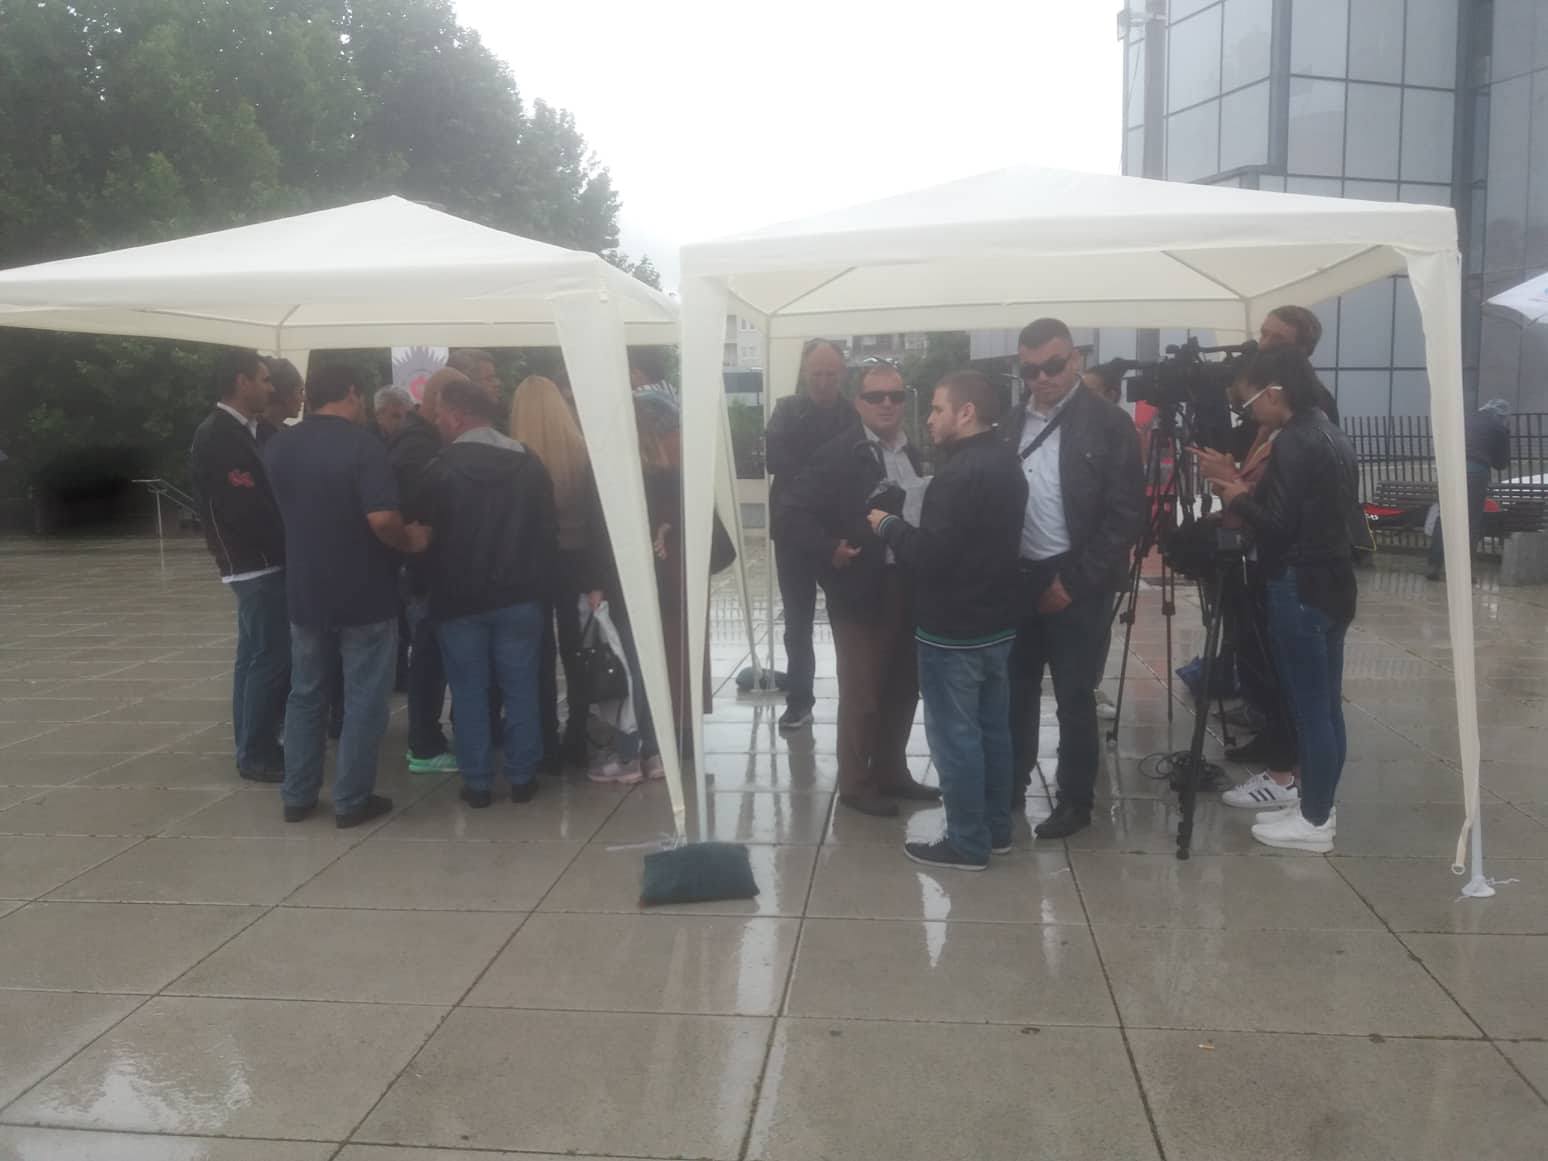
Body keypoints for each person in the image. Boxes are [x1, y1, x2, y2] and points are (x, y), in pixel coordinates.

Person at [1198, 346, 1359, 852]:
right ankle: (1317, 803)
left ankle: (1315, 821)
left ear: (1274, 392)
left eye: (1250, 403)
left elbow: (1277, 524)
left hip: (1299, 584)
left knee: (1310, 710)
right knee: (1326, 708)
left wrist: (1236, 496)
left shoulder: (1293, 440)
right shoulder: (1329, 432)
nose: (1249, 414)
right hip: (1333, 583)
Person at [868, 371, 1026, 870]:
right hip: (998, 624)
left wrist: (888, 525)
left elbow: (931, 556)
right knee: (993, 732)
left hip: (952, 631)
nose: (930, 419)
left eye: (938, 409)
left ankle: (967, 843)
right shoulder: (1007, 462)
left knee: (956, 739)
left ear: (967, 412)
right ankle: (996, 832)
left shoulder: (956, 477)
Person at [264, 363, 430, 828]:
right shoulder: (364, 446)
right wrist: (411, 541)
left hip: (305, 589)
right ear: (353, 393)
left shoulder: (278, 446)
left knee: (305, 694)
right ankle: (351, 799)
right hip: (364, 591)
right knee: (364, 699)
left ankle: (297, 795)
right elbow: (382, 518)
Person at [1006, 318, 1145, 840]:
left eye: (1053, 365)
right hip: (1019, 575)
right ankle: (1012, 783)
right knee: (1015, 690)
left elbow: (1126, 516)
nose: (1042, 378)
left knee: (1074, 695)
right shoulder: (1008, 423)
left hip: (1080, 578)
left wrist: (1075, 582)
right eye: (1031, 369)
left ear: (1076, 360)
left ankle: (1075, 800)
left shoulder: (1109, 425)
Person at [784, 361, 939, 817]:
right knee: (864, 693)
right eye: (876, 396)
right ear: (858, 402)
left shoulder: (913, 451)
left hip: (907, 584)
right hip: (859, 590)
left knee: (903, 687)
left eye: (896, 395)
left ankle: (891, 771)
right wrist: (829, 548)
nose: (887, 404)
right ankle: (855, 784)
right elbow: (789, 513)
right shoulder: (837, 454)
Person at [418, 379, 558, 808]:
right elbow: (546, 531)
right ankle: (522, 777)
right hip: (521, 597)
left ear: (458, 415)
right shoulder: (530, 463)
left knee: (468, 691)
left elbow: (425, 538)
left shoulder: (439, 468)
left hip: (458, 601)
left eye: (440, 414)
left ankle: (477, 783)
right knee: (521, 687)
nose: (438, 422)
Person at [188, 349, 288, 782]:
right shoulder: (220, 436)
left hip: (258, 561)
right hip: (254, 563)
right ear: (241, 381)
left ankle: (251, 744)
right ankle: (258, 752)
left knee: (253, 657)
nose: (271, 388)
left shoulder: (245, 431)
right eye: (264, 379)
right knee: (270, 657)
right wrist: (290, 544)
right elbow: (246, 509)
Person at [510, 374, 605, 769]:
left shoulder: (515, 457)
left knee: (537, 652)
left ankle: (543, 736)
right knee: (576, 649)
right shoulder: (582, 452)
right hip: (578, 560)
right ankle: (578, 730)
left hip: (533, 562)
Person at [765, 338, 860, 732]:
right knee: (797, 623)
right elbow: (775, 459)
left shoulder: (853, 416)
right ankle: (799, 701)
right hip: (793, 535)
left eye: (830, 374)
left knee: (847, 621)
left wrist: (812, 470)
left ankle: (854, 698)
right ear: (805, 373)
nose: (823, 382)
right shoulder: (786, 410)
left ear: (842, 374)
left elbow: (858, 470)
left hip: (837, 536)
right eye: (817, 373)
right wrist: (825, 469)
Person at [388, 368, 467, 776]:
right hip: (425, 569)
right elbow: (421, 506)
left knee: (430, 655)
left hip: (427, 567)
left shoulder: (417, 440)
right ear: (440, 403)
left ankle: (428, 738)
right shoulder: (418, 447)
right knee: (429, 658)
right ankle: (424, 743)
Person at [1427, 398, 1511, 580]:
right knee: (1470, 522)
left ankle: (1434, 565)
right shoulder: (1498, 428)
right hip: (1475, 473)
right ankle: (1463, 571)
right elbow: (1501, 463)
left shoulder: (1465, 419)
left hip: (1450, 471)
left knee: (1445, 517)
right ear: (1502, 416)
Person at [259, 357, 304, 441]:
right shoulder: (258, 435)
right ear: (285, 394)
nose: (303, 399)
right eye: (300, 392)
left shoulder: (289, 433)